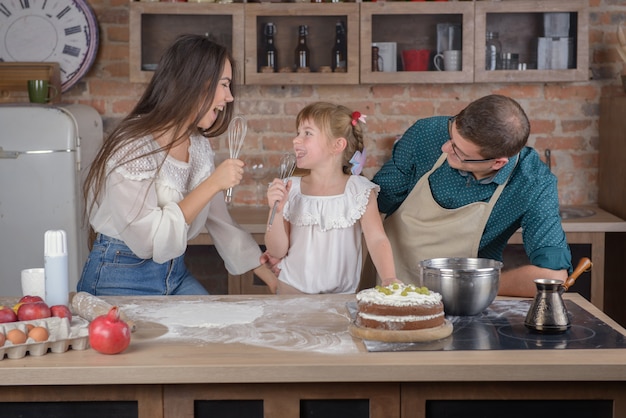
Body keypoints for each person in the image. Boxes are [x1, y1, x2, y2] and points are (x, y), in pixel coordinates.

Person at [78, 34, 277, 296]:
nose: (229, 97)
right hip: (120, 273)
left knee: (216, 331)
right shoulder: (134, 146)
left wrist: (271, 279)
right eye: (224, 84)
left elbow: (221, 224)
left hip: (174, 273)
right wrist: (212, 184)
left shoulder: (198, 146)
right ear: (196, 83)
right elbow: (147, 242)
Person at [372, 94, 572, 298]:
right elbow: (375, 201)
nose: (445, 148)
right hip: (389, 287)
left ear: (497, 163)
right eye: (451, 136)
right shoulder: (426, 134)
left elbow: (553, 276)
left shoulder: (533, 184)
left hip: (464, 301)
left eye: (458, 152)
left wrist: (470, 286)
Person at [264, 102, 398, 294]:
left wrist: (389, 277)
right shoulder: (290, 189)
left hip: (341, 298)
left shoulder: (359, 191)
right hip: (291, 292)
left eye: (307, 133)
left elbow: (377, 239)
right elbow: (276, 251)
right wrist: (276, 212)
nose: (296, 140)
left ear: (337, 145)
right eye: (298, 132)